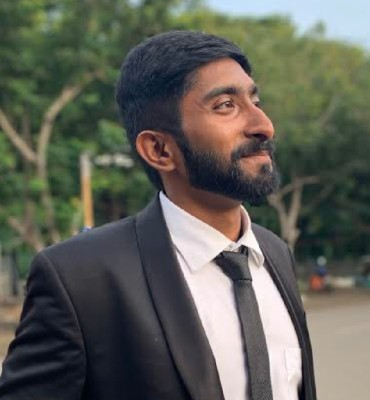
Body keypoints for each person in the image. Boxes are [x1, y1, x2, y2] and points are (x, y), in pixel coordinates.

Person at [0, 31, 316, 400]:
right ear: (159, 149)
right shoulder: (80, 279)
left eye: (255, 100)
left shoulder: (274, 255)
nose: (264, 125)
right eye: (226, 105)